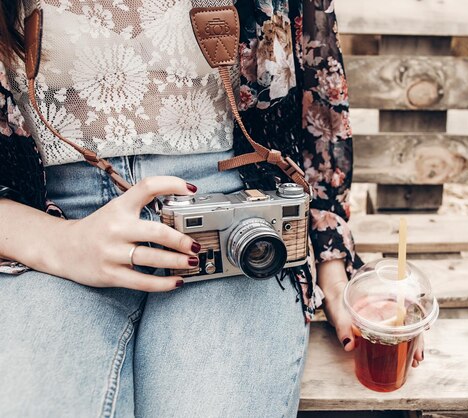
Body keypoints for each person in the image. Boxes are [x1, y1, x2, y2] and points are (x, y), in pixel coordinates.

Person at [0, 1, 424, 416]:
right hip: (44, 233)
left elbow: (317, 86)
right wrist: (57, 241)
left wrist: (334, 266)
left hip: (243, 223)